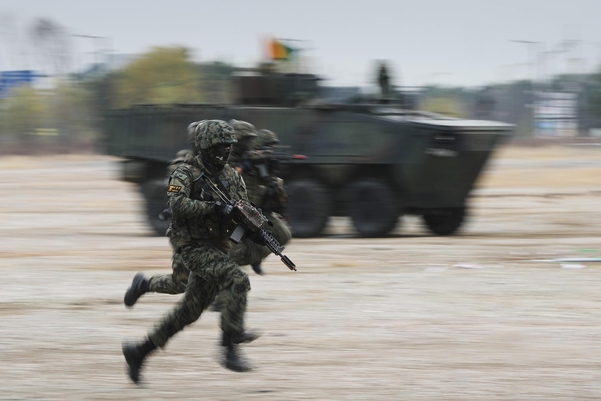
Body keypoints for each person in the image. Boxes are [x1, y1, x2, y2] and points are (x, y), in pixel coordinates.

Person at [122, 120, 262, 384]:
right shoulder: (185, 172)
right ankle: (230, 346)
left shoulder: (233, 177)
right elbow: (176, 204)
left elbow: (239, 221)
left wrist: (248, 229)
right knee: (237, 280)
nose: (226, 152)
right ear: (207, 147)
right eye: (220, 146)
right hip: (191, 245)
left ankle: (139, 352)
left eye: (228, 146)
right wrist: (213, 209)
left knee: (189, 311)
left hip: (218, 246)